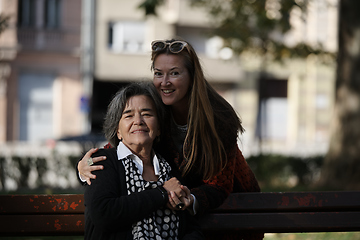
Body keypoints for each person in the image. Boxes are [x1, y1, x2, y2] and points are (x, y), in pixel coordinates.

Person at [79, 39, 263, 239]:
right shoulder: (156, 107)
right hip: (180, 208)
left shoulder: (217, 118)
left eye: (174, 73)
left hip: (233, 208)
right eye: (159, 73)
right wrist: (84, 166)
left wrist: (189, 199)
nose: (164, 82)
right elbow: (124, 144)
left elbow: (219, 185)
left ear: (192, 76)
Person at [84, 82, 204, 239]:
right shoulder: (103, 161)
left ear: (159, 128)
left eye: (147, 114)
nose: (138, 121)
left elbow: (191, 228)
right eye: (128, 115)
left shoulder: (170, 170)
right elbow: (103, 213)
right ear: (118, 131)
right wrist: (161, 193)